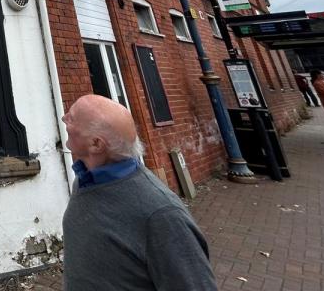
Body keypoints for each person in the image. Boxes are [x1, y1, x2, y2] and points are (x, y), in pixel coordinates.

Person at [61, 94, 217, 290]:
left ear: (96, 144)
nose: (64, 119)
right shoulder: (87, 178)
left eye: (72, 118)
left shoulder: (163, 215)